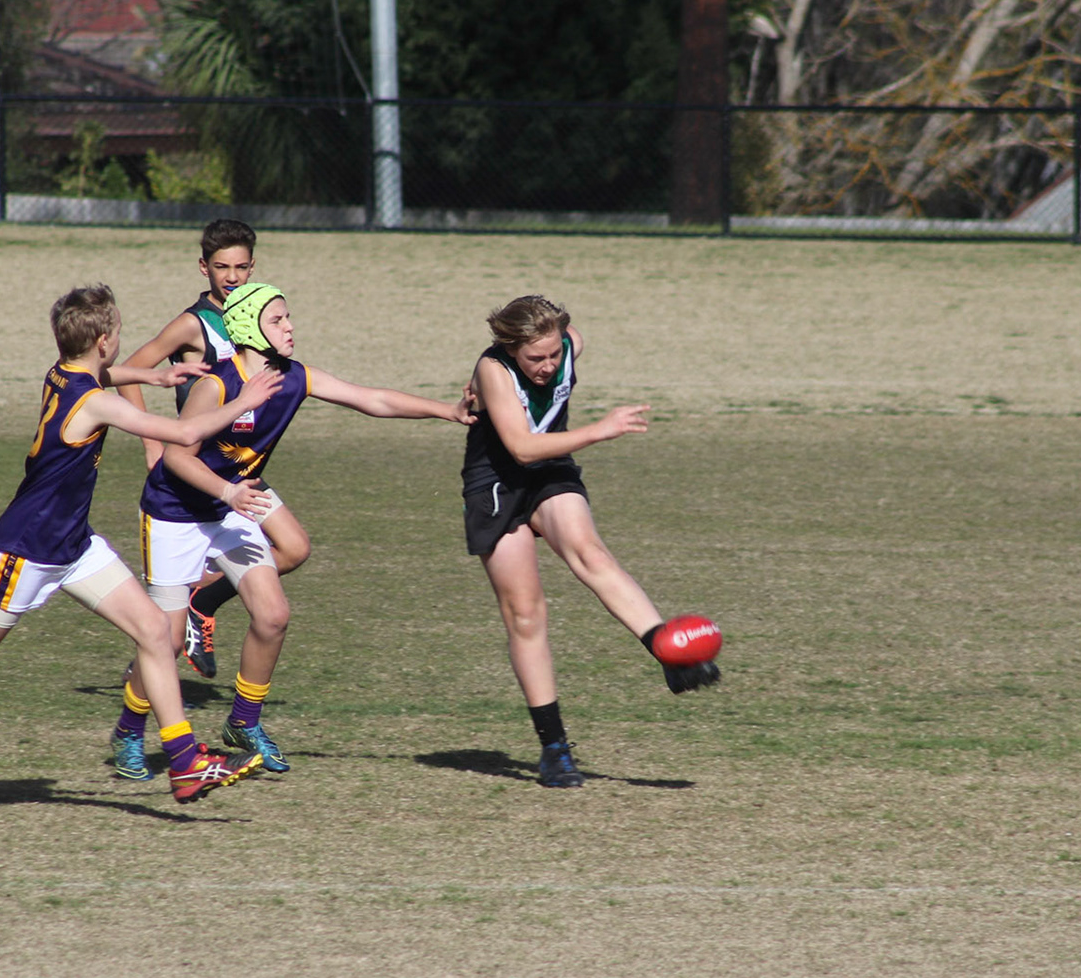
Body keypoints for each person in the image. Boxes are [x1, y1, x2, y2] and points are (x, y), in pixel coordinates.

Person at [0, 283, 277, 805]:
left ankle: (185, 761)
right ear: (104, 342)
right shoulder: (96, 403)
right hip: (28, 549)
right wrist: (245, 400)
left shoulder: (61, 373)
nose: (120, 341)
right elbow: (180, 433)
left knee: (154, 630)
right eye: (118, 333)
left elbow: (100, 376)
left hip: (73, 544)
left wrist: (149, 375)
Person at [108, 282, 473, 780]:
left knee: (273, 615)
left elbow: (371, 399)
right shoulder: (217, 385)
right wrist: (229, 492)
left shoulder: (295, 377)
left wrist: (447, 411)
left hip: (231, 506)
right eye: (277, 320)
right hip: (174, 514)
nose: (290, 327)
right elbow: (176, 457)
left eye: (288, 317)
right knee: (166, 642)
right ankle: (129, 730)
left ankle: (243, 722)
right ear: (248, 327)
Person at [463, 295, 718, 789]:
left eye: (553, 353)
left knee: (590, 553)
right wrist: (599, 431)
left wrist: (560, 351)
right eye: (535, 358)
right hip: (496, 484)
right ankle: (554, 749)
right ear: (509, 348)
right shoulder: (494, 368)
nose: (548, 365)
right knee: (526, 614)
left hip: (549, 472)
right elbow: (520, 447)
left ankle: (668, 652)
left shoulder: (568, 343)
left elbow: (569, 344)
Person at [113, 218, 314, 679]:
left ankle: (202, 601)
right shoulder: (193, 323)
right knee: (167, 626)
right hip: (196, 466)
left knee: (294, 548)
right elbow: (131, 371)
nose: (232, 277)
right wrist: (153, 442)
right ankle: (155, 662)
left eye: (241, 267)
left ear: (253, 267)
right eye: (222, 267)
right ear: (204, 267)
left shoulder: (259, 313)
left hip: (238, 466)